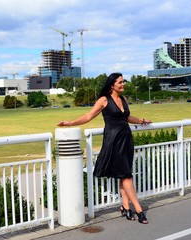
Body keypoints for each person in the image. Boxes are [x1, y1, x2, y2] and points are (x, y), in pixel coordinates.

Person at [58, 72, 152, 224]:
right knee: (127, 175)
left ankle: (126, 208)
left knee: (124, 174)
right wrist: (70, 123)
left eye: (123, 82)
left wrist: (142, 121)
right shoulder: (103, 100)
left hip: (126, 140)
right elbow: (88, 117)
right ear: (112, 85)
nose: (123, 84)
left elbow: (127, 117)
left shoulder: (123, 99)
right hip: (113, 141)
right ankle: (139, 210)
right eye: (120, 82)